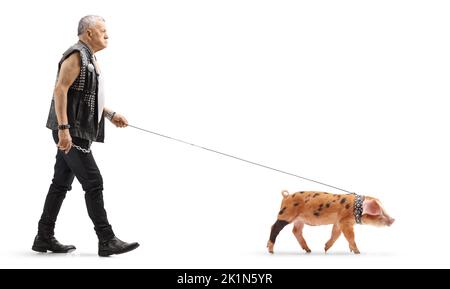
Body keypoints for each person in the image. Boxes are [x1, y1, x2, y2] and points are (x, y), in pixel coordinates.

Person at [32, 15, 139, 257]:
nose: (107, 35)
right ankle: (106, 239)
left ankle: (43, 236)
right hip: (72, 134)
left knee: (60, 184)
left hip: (76, 132)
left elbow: (85, 97)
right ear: (89, 32)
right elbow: (60, 90)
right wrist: (63, 131)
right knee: (94, 182)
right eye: (103, 31)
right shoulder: (76, 55)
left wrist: (110, 115)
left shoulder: (90, 57)